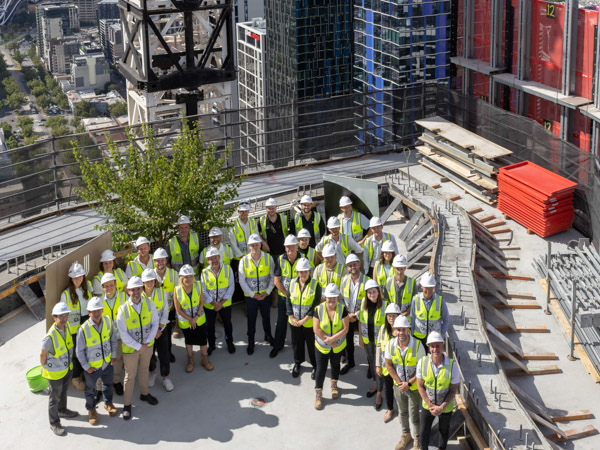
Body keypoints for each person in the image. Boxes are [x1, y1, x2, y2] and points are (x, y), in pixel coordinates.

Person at [116, 276, 159, 420]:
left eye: (138, 289)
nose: (136, 292)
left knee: (144, 370)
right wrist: (139, 346)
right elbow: (124, 335)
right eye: (133, 289)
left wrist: (146, 343)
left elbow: (155, 323)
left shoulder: (149, 303)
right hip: (131, 350)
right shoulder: (123, 310)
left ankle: (144, 394)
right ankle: (127, 405)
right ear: (128, 291)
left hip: (147, 346)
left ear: (142, 289)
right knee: (130, 376)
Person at [76, 297, 118, 425]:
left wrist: (113, 354)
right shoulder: (83, 329)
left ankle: (108, 403)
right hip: (92, 368)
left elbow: (113, 339)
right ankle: (92, 410)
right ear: (89, 313)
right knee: (90, 390)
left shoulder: (108, 321)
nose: (97, 313)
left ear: (102, 310)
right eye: (93, 311)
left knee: (108, 384)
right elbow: (79, 351)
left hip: (107, 364)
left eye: (99, 310)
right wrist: (86, 367)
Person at [385, 316, 425, 450]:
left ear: (408, 329)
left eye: (403, 329)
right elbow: (388, 365)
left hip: (413, 387)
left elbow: (422, 369)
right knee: (402, 412)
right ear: (395, 330)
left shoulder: (418, 346)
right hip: (399, 386)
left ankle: (417, 438)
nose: (401, 333)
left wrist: (408, 383)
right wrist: (399, 382)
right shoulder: (390, 345)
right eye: (398, 330)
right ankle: (405, 435)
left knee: (414, 415)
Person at [41, 303, 79, 436]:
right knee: (54, 398)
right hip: (55, 373)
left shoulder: (66, 327)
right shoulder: (49, 337)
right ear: (54, 318)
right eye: (60, 316)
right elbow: (43, 355)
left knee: (64, 392)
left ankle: (62, 410)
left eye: (65, 316)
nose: (64, 319)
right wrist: (43, 367)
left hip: (67, 368)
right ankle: (54, 423)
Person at [416, 331, 459, 450]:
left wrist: (441, 408)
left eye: (438, 346)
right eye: (432, 346)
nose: (435, 349)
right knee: (424, 431)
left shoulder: (452, 365)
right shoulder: (422, 362)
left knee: (444, 431)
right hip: (427, 405)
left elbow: (453, 390)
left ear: (443, 346)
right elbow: (420, 386)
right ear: (429, 347)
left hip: (446, 407)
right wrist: (430, 405)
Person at [312, 283, 349, 410]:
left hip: (337, 346)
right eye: (329, 297)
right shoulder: (319, 309)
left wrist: (333, 340)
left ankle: (334, 384)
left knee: (335, 365)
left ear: (337, 297)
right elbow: (316, 328)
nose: (332, 300)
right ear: (325, 297)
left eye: (334, 297)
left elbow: (345, 328)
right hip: (322, 346)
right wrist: (327, 341)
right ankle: (318, 393)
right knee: (320, 369)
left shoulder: (342, 309)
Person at [239, 233, 275, 355]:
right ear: (248, 246)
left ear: (260, 244)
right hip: (251, 297)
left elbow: (272, 277)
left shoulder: (268, 258)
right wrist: (252, 295)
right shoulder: (243, 261)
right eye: (252, 245)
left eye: (256, 244)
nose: (254, 247)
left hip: (265, 295)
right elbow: (242, 281)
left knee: (266, 317)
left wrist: (267, 292)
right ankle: (251, 341)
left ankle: (268, 336)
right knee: (251, 319)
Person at [174, 265, 214, 372]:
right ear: (181, 278)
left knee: (202, 340)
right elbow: (178, 310)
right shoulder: (177, 290)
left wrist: (196, 317)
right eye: (185, 277)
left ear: (193, 277)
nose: (188, 279)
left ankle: (204, 359)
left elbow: (202, 302)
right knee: (189, 341)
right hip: (186, 322)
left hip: (199, 319)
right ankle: (190, 360)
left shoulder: (198, 286)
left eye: (190, 276)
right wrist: (190, 319)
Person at [287, 257, 321, 378]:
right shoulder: (292, 283)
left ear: (309, 271)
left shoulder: (315, 285)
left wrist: (304, 320)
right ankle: (298, 363)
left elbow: (315, 305)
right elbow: (288, 302)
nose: (303, 273)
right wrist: (292, 317)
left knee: (312, 345)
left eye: (305, 271)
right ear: (297, 272)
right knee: (297, 343)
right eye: (300, 271)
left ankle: (315, 365)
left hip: (309, 323)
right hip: (294, 322)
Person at [60, 261, 92, 391]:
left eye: (79, 276)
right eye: (75, 277)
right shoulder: (66, 294)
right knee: (76, 354)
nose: (77, 279)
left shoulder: (88, 287)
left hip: (86, 323)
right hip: (73, 329)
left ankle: (84, 373)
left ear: (83, 276)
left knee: (87, 350)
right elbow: (62, 315)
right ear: (71, 278)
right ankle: (75, 378)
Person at [141, 269, 173, 392]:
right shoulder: (140, 296)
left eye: (151, 280)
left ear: (155, 280)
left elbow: (165, 310)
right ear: (143, 282)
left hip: (161, 329)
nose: (149, 283)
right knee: (149, 355)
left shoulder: (161, 292)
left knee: (164, 353)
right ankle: (152, 372)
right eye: (147, 281)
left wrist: (159, 328)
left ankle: (165, 377)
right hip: (147, 332)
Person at [359, 279, 389, 409]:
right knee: (372, 363)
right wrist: (360, 337)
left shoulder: (385, 305)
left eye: (374, 292)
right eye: (369, 292)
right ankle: (376, 384)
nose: (372, 294)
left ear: (378, 292)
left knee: (380, 367)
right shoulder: (363, 304)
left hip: (380, 344)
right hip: (368, 341)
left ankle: (379, 393)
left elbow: (390, 324)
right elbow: (360, 321)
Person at [200, 247, 236, 355]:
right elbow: (203, 290)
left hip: (224, 304)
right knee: (209, 326)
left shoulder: (227, 269)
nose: (214, 261)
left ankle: (229, 342)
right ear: (207, 260)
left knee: (227, 324)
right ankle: (211, 345)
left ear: (219, 257)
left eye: (215, 258)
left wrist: (221, 303)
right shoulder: (204, 272)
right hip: (210, 305)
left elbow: (231, 287)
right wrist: (213, 303)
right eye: (211, 259)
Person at [339, 253, 369, 375]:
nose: (353, 267)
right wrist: (347, 315)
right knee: (348, 340)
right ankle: (350, 362)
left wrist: (356, 314)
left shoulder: (367, 281)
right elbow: (341, 298)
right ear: (347, 267)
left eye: (355, 264)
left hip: (361, 316)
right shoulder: (344, 280)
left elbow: (369, 302)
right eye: (350, 265)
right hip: (348, 315)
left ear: (359, 264)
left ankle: (371, 366)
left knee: (366, 341)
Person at [272, 234, 301, 358]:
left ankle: (298, 349)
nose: (290, 249)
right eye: (288, 247)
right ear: (285, 248)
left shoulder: (303, 259)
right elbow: (276, 281)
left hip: (298, 299)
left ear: (297, 247)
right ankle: (278, 346)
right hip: (284, 298)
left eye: (292, 246)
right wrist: (286, 294)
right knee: (281, 322)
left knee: (296, 325)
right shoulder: (280, 259)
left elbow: (306, 279)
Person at [100, 272, 126, 396]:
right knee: (102, 362)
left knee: (117, 360)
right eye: (106, 286)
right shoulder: (98, 301)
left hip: (119, 336)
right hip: (104, 339)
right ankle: (99, 388)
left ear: (115, 285)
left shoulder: (124, 297)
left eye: (111, 285)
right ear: (102, 288)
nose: (109, 288)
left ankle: (116, 381)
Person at [375, 303, 401, 423]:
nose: (391, 318)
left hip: (399, 369)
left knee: (400, 391)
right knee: (388, 389)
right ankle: (390, 409)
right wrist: (377, 365)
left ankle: (401, 411)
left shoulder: (403, 330)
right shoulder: (383, 329)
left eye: (394, 315)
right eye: (389, 315)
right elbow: (379, 347)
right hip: (386, 367)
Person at [229, 200, 260, 303]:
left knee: (252, 280)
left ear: (248, 212)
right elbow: (232, 243)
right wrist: (242, 256)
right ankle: (244, 302)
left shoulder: (252, 222)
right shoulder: (233, 225)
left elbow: (256, 238)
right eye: (241, 211)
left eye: (246, 211)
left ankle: (253, 300)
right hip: (240, 259)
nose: (244, 213)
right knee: (242, 281)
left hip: (252, 257)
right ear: (238, 212)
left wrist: (253, 254)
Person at [410, 272, 449, 349]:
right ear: (422, 286)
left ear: (434, 286)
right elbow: (412, 318)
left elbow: (446, 320)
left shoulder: (440, 301)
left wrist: (441, 335)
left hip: (434, 339)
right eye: (426, 287)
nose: (428, 290)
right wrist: (412, 334)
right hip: (418, 337)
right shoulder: (415, 299)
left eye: (431, 287)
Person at [153, 247, 179, 354]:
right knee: (153, 335)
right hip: (154, 312)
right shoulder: (150, 275)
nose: (160, 263)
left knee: (167, 333)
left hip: (169, 310)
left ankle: (168, 352)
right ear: (154, 262)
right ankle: (153, 357)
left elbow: (177, 291)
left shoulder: (174, 273)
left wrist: (175, 305)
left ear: (166, 260)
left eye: (162, 260)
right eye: (158, 260)